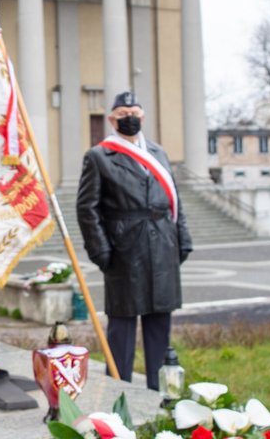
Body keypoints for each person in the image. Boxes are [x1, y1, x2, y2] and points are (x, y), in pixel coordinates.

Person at [76, 92, 192, 389]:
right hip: (124, 249)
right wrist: (101, 251)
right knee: (122, 328)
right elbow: (87, 208)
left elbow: (174, 198)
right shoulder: (99, 156)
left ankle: (159, 391)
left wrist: (183, 239)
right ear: (112, 119)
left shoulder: (158, 152)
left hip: (163, 245)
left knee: (159, 325)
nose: (130, 117)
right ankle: (119, 392)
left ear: (143, 117)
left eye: (135, 112)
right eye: (124, 113)